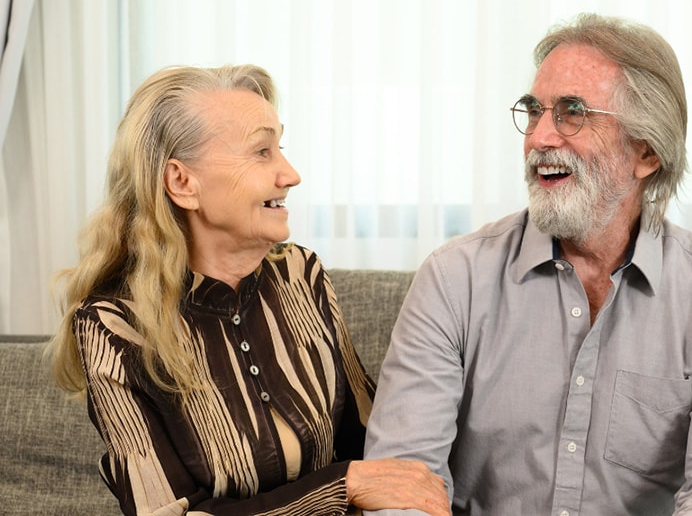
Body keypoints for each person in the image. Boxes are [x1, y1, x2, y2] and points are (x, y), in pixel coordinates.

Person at [363, 13, 692, 515]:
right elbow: (403, 480)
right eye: (534, 111)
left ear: (646, 152)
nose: (539, 138)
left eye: (571, 112)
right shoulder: (454, 280)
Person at [47, 64, 449, 516]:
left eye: (281, 148)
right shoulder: (113, 326)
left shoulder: (302, 274)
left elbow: (371, 436)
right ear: (182, 182)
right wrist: (340, 487)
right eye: (261, 151)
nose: (290, 174)